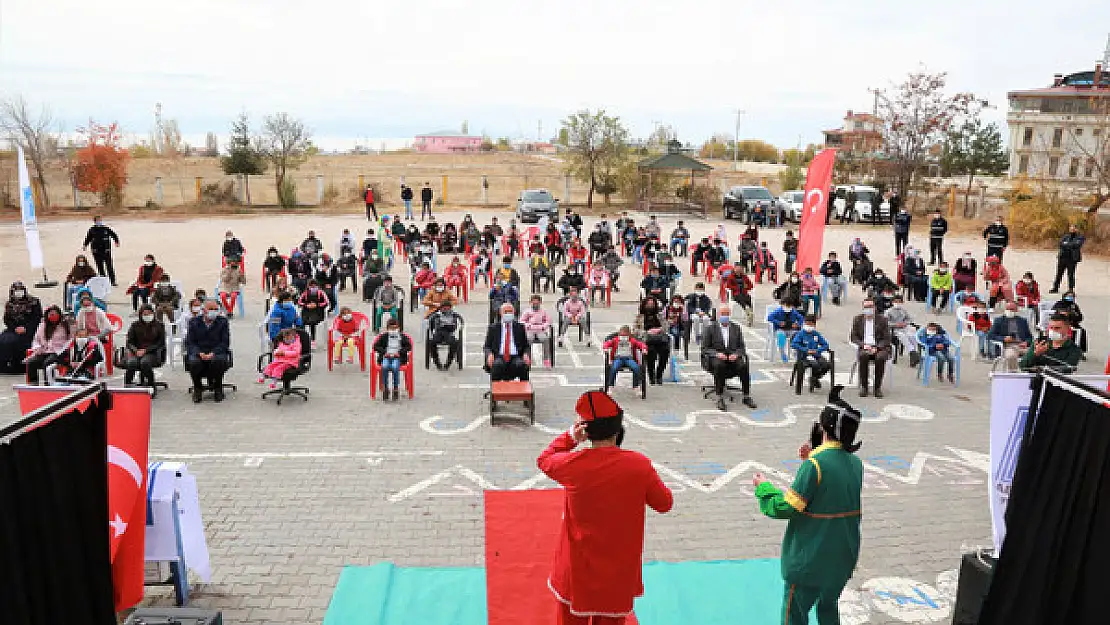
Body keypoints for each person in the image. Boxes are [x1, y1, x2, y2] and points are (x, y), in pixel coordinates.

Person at [537, 390, 672, 625]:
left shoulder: (573, 465)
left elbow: (545, 459)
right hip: (616, 574)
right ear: (618, 430)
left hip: (576, 572)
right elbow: (664, 503)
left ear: (587, 432)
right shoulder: (639, 465)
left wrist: (570, 437)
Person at [753, 386, 863, 625]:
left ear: (825, 428)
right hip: (842, 556)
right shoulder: (856, 463)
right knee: (828, 608)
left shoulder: (815, 465)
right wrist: (811, 459)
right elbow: (830, 491)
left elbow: (786, 508)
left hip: (811, 559)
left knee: (795, 614)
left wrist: (764, 488)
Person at [701, 304, 757, 411]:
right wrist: (717, 354)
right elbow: (705, 348)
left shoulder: (736, 328)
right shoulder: (710, 328)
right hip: (717, 357)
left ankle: (746, 396)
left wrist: (736, 354)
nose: (725, 316)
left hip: (732, 356)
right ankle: (719, 396)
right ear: (718, 315)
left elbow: (742, 347)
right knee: (719, 365)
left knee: (743, 365)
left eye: (727, 314)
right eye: (723, 314)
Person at [186, 301, 231, 403]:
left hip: (216, 352)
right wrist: (199, 353)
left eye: (216, 309)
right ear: (204, 310)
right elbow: (190, 342)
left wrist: (213, 353)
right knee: (194, 362)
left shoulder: (222, 322)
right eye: (211, 309)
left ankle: (218, 388)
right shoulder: (194, 322)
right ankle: (197, 388)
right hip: (200, 352)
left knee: (218, 361)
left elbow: (225, 342)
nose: (214, 312)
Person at [850, 298, 891, 398]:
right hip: (865, 346)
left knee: (880, 358)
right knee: (863, 356)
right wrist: (863, 345)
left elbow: (887, 338)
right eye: (866, 307)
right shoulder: (857, 319)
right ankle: (864, 386)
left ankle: (877, 388)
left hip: (880, 347)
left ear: (874, 307)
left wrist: (877, 348)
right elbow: (853, 337)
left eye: (870, 306)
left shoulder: (882, 320)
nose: (868, 309)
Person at [0, 281, 43, 374]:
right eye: (16, 291)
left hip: (30, 328)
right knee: (4, 339)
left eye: (21, 290)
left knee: (19, 341)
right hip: (14, 328)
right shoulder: (10, 304)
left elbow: (37, 318)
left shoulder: (34, 302)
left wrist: (26, 328)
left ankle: (20, 366)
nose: (18, 293)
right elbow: (7, 319)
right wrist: (15, 328)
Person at [484, 302, 531, 381]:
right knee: (497, 365)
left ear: (514, 312)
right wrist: (489, 354)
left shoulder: (520, 327)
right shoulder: (493, 328)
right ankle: (496, 391)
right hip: (499, 355)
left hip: (515, 356)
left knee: (521, 365)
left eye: (510, 312)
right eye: (505, 312)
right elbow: (487, 346)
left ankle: (524, 391)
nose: (508, 314)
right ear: (500, 313)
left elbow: (526, 345)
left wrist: (526, 354)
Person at [24, 305, 71, 385]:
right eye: (51, 314)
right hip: (44, 351)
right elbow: (36, 340)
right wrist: (37, 348)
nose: (53, 316)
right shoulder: (42, 325)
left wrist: (64, 349)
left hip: (59, 352)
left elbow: (70, 340)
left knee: (48, 363)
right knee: (31, 362)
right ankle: (33, 384)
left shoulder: (65, 325)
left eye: (55, 314)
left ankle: (48, 384)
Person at [123, 304, 166, 389]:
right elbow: (129, 342)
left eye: (149, 314)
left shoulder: (159, 325)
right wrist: (135, 350)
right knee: (132, 363)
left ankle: (151, 386)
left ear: (153, 314)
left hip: (153, 353)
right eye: (145, 314)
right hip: (137, 352)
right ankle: (127, 386)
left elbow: (160, 343)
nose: (147, 316)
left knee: (145, 362)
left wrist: (146, 350)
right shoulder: (135, 325)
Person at [633, 297, 670, 385]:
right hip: (646, 339)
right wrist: (646, 332)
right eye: (648, 304)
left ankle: (659, 374)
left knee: (665, 351)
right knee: (651, 352)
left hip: (659, 338)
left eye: (652, 304)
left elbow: (666, 326)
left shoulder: (659, 315)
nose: (650, 306)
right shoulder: (639, 316)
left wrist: (659, 329)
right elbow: (634, 330)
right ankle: (651, 376)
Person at [373, 317, 412, 400]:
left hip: (398, 357)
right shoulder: (384, 336)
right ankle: (386, 388)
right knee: (384, 367)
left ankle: (395, 388)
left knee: (395, 367)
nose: (393, 330)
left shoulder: (402, 336)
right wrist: (384, 352)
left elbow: (409, 346)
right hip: (386, 356)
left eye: (395, 328)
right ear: (387, 328)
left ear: (399, 328)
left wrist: (400, 353)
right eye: (391, 328)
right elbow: (375, 346)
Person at [790, 315, 831, 394]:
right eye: (807, 324)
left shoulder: (816, 334)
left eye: (810, 324)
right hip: (803, 356)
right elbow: (794, 344)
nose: (808, 326)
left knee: (826, 365)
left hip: (815, 355)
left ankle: (815, 378)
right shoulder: (800, 334)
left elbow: (825, 345)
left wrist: (817, 350)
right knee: (815, 365)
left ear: (814, 325)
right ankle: (813, 381)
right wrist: (806, 350)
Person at [987, 301, 1034, 371]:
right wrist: (1004, 339)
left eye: (1012, 309)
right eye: (1008, 309)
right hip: (1008, 346)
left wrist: (1026, 342)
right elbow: (990, 335)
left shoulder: (1022, 321)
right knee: (1011, 356)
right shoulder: (998, 320)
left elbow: (1029, 337)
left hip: (1023, 345)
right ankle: (1013, 374)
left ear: (1016, 310)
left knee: (1036, 354)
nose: (1009, 311)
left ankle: (1029, 373)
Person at [82, 215, 121, 286]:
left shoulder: (105, 228)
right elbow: (88, 238)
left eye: (100, 220)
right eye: (97, 221)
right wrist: (85, 245)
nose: (99, 222)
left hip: (106, 250)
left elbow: (114, 235)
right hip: (96, 251)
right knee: (100, 267)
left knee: (109, 266)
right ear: (95, 222)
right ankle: (103, 281)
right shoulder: (92, 229)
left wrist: (117, 242)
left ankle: (113, 281)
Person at [768, 298, 805, 364]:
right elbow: (770, 317)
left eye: (789, 306)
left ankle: (795, 352)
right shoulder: (778, 311)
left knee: (797, 335)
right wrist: (778, 322)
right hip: (780, 329)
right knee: (781, 336)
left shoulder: (794, 312)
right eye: (786, 305)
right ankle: (783, 354)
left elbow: (801, 318)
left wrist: (797, 324)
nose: (788, 307)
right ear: (782, 305)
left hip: (791, 329)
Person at [1051, 223, 1085, 293]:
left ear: (1076, 229)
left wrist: (1066, 244)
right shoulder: (1066, 236)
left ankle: (1070, 289)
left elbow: (1077, 245)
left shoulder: (1080, 237)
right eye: (1071, 228)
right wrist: (1068, 244)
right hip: (1062, 257)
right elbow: (1060, 244)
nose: (1072, 229)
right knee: (1059, 273)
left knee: (1071, 274)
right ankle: (1055, 288)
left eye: (1073, 228)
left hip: (1072, 259)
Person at [884, 295, 919, 363]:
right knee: (902, 336)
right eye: (896, 301)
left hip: (904, 327)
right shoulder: (888, 311)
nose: (897, 303)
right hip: (894, 329)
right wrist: (896, 325)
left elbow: (909, 319)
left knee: (912, 335)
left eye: (899, 302)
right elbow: (886, 323)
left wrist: (905, 323)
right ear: (892, 302)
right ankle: (912, 352)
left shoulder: (903, 310)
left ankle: (913, 354)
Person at [521, 295, 553, 367]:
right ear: (530, 302)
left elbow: (548, 321)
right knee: (528, 339)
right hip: (530, 329)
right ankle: (528, 358)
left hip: (540, 329)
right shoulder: (527, 311)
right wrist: (528, 325)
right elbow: (522, 321)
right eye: (533, 303)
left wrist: (543, 326)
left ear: (540, 303)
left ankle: (546, 359)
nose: (535, 304)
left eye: (537, 303)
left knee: (545, 339)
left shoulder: (544, 311)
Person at [298, 279, 330, 345]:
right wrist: (307, 305)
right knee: (301, 322)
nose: (313, 288)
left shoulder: (321, 293)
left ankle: (313, 339)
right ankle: (303, 339)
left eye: (314, 286)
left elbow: (326, 302)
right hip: (307, 311)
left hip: (318, 312)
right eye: (311, 286)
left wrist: (317, 305)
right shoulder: (305, 293)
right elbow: (299, 302)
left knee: (312, 322)